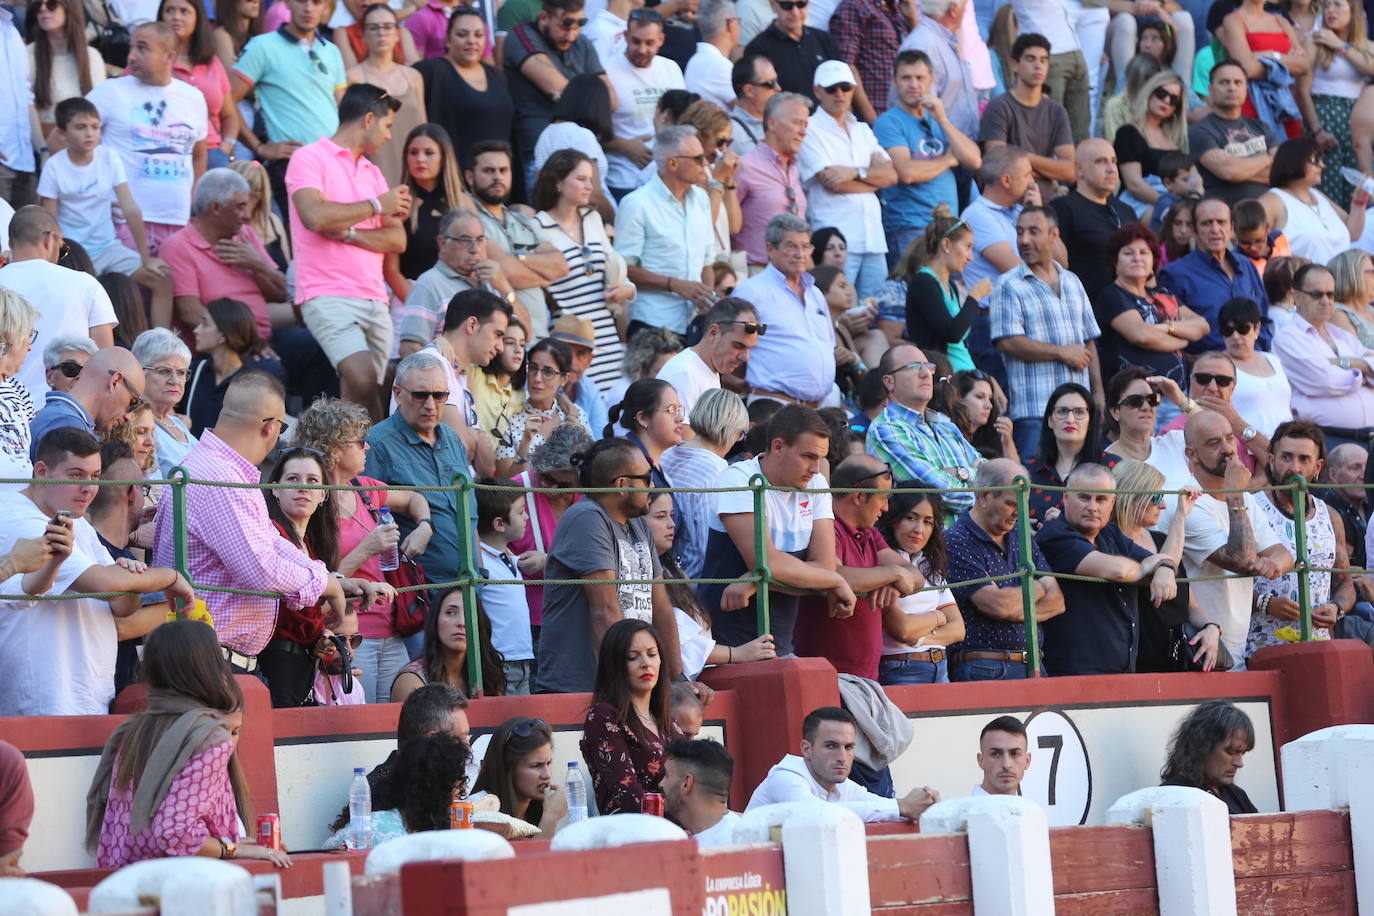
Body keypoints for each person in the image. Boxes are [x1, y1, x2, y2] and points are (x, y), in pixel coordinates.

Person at [153, 372, 347, 674]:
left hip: (208, 656)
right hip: (210, 661)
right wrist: (325, 584)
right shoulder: (223, 479)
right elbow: (261, 570)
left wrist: (326, 579)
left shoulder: (216, 469)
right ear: (271, 427)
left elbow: (271, 542)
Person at [0, 428, 193, 716]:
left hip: (86, 697)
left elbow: (121, 603)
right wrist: (172, 578)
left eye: (95, 476)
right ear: (42, 471)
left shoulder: (74, 518)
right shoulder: (20, 518)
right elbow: (107, 583)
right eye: (76, 476)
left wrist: (131, 576)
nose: (89, 488)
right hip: (45, 701)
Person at [86, 620, 290, 867]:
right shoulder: (207, 737)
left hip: (126, 883)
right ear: (212, 668)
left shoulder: (133, 730)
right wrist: (234, 850)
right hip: (180, 888)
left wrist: (248, 846)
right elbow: (175, 835)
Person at [293, 397, 436, 703]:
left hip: (392, 629)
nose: (367, 448)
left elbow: (413, 498)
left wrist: (424, 525)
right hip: (350, 635)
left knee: (398, 719)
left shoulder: (364, 487)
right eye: (360, 442)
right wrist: (367, 548)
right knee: (362, 722)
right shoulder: (309, 502)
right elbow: (315, 584)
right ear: (333, 448)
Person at [287, 83, 411, 420]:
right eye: (387, 126)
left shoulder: (373, 172)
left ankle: (342, 463)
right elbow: (314, 216)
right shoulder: (308, 157)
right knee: (363, 377)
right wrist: (375, 206)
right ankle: (353, 457)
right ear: (369, 119)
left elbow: (396, 240)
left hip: (375, 299)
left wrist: (350, 232)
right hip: (326, 293)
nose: (389, 136)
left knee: (372, 397)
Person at [536, 438, 682, 693]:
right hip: (585, 688)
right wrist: (624, 685)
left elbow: (660, 606)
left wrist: (677, 678)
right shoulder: (587, 519)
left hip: (630, 682)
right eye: (646, 477)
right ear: (621, 485)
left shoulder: (637, 523)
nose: (653, 484)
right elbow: (604, 609)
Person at [1153, 410, 1293, 665]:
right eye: (1213, 443)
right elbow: (1241, 559)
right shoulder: (1186, 502)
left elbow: (1283, 553)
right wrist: (1235, 493)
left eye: (1229, 438)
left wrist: (1274, 564)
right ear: (1191, 454)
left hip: (1236, 647)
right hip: (1200, 647)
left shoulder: (1244, 498)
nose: (1228, 449)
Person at [259, 448, 382, 706]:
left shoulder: (313, 544)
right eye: (293, 479)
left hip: (302, 666)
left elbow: (311, 604)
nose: (303, 487)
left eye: (312, 481)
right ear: (274, 489)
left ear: (324, 494)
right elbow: (290, 609)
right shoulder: (270, 534)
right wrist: (337, 588)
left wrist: (345, 586)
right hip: (272, 665)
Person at [1034, 463, 1182, 675]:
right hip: (1072, 674)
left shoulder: (1110, 533)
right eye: (1084, 497)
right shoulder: (1055, 535)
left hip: (1121, 672)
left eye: (1101, 499)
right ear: (1066, 498)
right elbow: (1119, 571)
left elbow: (1160, 560)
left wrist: (1165, 568)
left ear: (1112, 502)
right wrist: (1149, 565)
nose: (1093, 507)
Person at [37, 99, 173, 328]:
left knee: (162, 280)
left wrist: (145, 258)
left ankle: (159, 348)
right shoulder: (54, 167)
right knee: (86, 308)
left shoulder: (109, 157)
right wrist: (53, 267)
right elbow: (50, 225)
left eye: (95, 126)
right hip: (74, 253)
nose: (90, 133)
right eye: (80, 127)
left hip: (109, 248)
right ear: (62, 133)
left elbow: (129, 207)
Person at [85, 22, 209, 256]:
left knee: (174, 291)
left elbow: (200, 154)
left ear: (169, 56)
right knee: (129, 293)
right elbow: (65, 136)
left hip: (178, 222)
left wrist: (192, 202)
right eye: (131, 47)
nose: (131, 56)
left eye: (142, 49)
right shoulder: (109, 92)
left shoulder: (193, 97)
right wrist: (95, 194)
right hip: (123, 222)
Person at [793, 455, 921, 680]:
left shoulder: (870, 532)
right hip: (826, 676)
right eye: (883, 498)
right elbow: (832, 575)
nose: (886, 507)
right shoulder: (827, 526)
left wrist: (892, 580)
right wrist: (892, 574)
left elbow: (916, 576)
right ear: (859, 496)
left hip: (866, 676)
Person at [991, 206, 1103, 460]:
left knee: (1079, 485)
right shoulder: (1008, 284)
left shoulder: (1073, 281)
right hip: (1035, 410)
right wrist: (1062, 352)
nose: (1024, 240)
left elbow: (1089, 340)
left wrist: (1098, 393)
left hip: (1079, 410)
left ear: (1054, 235)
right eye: (1019, 232)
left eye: (1033, 232)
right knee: (1034, 489)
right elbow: (1007, 342)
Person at [944, 459, 1066, 680]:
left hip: (1034, 664)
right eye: (1011, 503)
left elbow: (1057, 601)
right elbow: (997, 605)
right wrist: (1038, 587)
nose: (1019, 512)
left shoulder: (1020, 535)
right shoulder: (956, 540)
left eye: (1023, 503)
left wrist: (1015, 608)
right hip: (984, 668)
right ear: (984, 496)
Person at [366, 351, 473, 592]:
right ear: (398, 394)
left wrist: (481, 571)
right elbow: (364, 518)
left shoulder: (453, 439)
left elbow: (469, 514)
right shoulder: (377, 443)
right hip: (418, 592)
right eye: (420, 395)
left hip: (470, 585)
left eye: (439, 395)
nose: (430, 405)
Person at [532, 149, 636, 391]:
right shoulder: (536, 226)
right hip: (570, 345)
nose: (589, 186)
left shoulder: (592, 218)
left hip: (608, 343)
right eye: (581, 179)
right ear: (558, 182)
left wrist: (626, 290)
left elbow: (622, 276)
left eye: (590, 179)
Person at [230, 0, 347, 211]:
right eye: (302, 1)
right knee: (297, 240)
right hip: (290, 164)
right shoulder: (262, 46)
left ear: (325, 7)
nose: (309, 8)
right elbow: (225, 101)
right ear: (287, 4)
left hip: (333, 163)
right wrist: (259, 147)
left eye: (317, 2)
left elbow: (341, 107)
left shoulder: (332, 51)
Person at [1248, 421, 1351, 656]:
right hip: (1259, 650)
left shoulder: (1331, 517)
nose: (1294, 467)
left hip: (1317, 650)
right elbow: (1226, 582)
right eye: (1286, 457)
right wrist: (1265, 603)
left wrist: (1337, 608)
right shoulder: (1250, 508)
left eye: (1304, 459)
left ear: (1318, 466)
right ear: (1272, 460)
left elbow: (1344, 582)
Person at [647, 490, 775, 679]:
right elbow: (680, 640)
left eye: (672, 516)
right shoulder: (640, 574)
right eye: (660, 516)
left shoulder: (673, 571)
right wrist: (737, 654)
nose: (671, 524)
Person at [799, 60, 896, 301]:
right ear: (817, 90)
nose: (840, 94)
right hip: (836, 240)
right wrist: (873, 177)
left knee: (874, 310)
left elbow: (892, 176)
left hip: (873, 237)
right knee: (836, 311)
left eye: (845, 87)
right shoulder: (809, 129)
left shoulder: (862, 129)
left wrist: (854, 172)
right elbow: (832, 182)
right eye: (832, 88)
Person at [0, 207, 117, 404]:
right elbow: (105, 362)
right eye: (62, 249)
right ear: (49, 240)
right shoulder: (85, 284)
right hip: (65, 412)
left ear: (11, 243)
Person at [876, 50, 980, 265]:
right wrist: (949, 160)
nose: (913, 84)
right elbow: (906, 172)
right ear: (894, 81)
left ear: (931, 80)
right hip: (910, 226)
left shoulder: (939, 119)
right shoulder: (888, 122)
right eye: (906, 78)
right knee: (915, 294)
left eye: (920, 78)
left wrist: (942, 119)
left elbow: (974, 160)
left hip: (946, 227)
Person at [615, 125, 718, 338]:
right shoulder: (636, 204)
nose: (706, 164)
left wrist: (707, 301)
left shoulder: (701, 199)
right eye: (698, 158)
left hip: (694, 324)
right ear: (672, 163)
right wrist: (674, 285)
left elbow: (707, 261)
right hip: (652, 322)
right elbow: (624, 268)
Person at [746, 706, 938, 821]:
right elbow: (815, 814)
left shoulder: (844, 786)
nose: (842, 757)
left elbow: (882, 807)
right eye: (831, 746)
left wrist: (925, 804)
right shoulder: (785, 776)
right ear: (806, 749)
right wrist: (901, 806)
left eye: (848, 747)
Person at [329, 684, 472, 832]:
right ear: (432, 739)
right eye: (461, 738)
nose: (468, 747)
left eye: (467, 737)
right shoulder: (379, 794)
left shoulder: (439, 783)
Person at [580, 618, 683, 813]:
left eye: (652, 654)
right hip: (630, 832)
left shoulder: (668, 721)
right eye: (632, 657)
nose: (646, 663)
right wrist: (688, 814)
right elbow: (628, 796)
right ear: (615, 665)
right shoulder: (604, 717)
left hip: (678, 826)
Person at [469, 142, 569, 341]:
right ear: (469, 177)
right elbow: (504, 269)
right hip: (502, 342)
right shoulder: (471, 220)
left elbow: (560, 265)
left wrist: (518, 258)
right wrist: (543, 276)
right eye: (488, 171)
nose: (497, 177)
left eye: (503, 170)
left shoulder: (522, 220)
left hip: (539, 337)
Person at [866, 343, 982, 513]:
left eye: (929, 367)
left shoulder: (946, 426)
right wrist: (986, 498)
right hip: (937, 538)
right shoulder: (887, 429)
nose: (926, 373)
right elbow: (944, 494)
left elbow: (992, 475)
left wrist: (962, 473)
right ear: (889, 382)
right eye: (914, 367)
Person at [1095, 222, 1208, 394]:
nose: (1137, 258)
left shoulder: (1163, 294)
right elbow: (1141, 336)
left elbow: (1202, 325)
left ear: (1153, 260)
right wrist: (1182, 340)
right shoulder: (1113, 295)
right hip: (1134, 398)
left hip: (1178, 395)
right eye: (1128, 253)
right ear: (1115, 262)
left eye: (1144, 252)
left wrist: (1166, 327)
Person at [503, 0, 610, 182]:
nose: (570, 36)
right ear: (544, 17)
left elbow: (610, 99)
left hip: (587, 155)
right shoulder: (521, 34)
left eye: (578, 26)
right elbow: (555, 86)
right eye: (565, 25)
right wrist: (589, 96)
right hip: (542, 157)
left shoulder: (581, 43)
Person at [735, 213, 834, 407]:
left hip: (818, 408)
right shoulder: (751, 291)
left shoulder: (815, 294)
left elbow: (828, 344)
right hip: (773, 406)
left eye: (806, 246)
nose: (800, 253)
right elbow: (733, 346)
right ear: (770, 249)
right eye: (791, 246)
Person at [508, 422, 591, 651]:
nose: (553, 489)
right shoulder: (519, 488)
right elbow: (487, 544)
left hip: (580, 613)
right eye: (546, 478)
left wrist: (549, 562)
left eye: (563, 484)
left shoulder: (589, 495)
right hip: (530, 618)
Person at [960, 146, 1039, 383]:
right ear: (1006, 180)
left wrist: (1037, 212)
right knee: (1004, 402)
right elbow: (1016, 270)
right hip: (993, 322)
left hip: (1023, 318)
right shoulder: (977, 215)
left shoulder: (1022, 211)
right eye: (1027, 174)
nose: (1032, 181)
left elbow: (1061, 261)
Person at [872, 488, 964, 684]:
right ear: (894, 519)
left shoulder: (930, 565)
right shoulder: (881, 562)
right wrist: (939, 617)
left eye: (927, 522)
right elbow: (903, 629)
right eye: (911, 518)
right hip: (900, 669)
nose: (919, 529)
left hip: (941, 668)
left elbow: (958, 629)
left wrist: (919, 639)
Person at [1273, 262, 1374, 439]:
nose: (1325, 301)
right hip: (1328, 438)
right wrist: (1366, 374)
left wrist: (1353, 364)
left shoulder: (1342, 335)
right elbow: (1325, 380)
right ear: (1296, 296)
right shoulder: (1287, 338)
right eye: (1316, 294)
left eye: (1330, 294)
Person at [1158, 198, 1270, 353]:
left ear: (1231, 228)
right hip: (1210, 370)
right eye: (1207, 223)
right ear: (1193, 229)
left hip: (1255, 362)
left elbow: (1264, 319)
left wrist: (1256, 354)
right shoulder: (1175, 275)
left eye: (1221, 222)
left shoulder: (1246, 265)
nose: (1215, 229)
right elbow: (1172, 334)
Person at [324, 732, 474, 847]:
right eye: (455, 785)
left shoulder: (398, 822)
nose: (461, 793)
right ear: (434, 790)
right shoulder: (390, 834)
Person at [657, 390, 748, 579]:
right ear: (734, 432)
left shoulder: (665, 454)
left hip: (656, 573)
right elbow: (704, 548)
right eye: (741, 434)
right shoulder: (719, 473)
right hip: (689, 587)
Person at [398, 210, 515, 355]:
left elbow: (524, 334)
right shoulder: (429, 284)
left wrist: (505, 289)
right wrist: (448, 374)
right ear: (442, 243)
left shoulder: (493, 281)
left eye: (480, 240)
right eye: (465, 240)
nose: (475, 249)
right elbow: (410, 349)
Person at [415, 7, 513, 173]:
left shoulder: (497, 75)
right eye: (462, 34)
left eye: (479, 35)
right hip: (451, 175)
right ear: (447, 39)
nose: (471, 41)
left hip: (496, 178)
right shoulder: (429, 72)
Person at [601, 10, 687, 198]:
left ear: (661, 40)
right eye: (636, 41)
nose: (641, 50)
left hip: (666, 179)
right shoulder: (606, 71)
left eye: (649, 43)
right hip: (623, 180)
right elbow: (590, 129)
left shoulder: (670, 68)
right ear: (625, 36)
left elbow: (684, 120)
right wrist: (623, 145)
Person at [1295, 0, 1372, 208]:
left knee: (1359, 190)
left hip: (1356, 122)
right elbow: (1302, 90)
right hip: (1324, 115)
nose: (1330, 11)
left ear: (1354, 11)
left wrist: (1340, 45)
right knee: (1325, 187)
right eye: (1326, 6)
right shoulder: (1315, 41)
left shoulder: (1365, 46)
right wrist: (1317, 129)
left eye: (1337, 5)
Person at [981, 35, 1074, 204]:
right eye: (1030, 59)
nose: (1038, 65)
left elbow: (1070, 170)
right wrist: (1050, 171)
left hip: (1048, 201)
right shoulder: (999, 107)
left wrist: (1021, 157)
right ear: (1014, 64)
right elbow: (997, 164)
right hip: (1008, 202)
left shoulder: (1057, 111)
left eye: (1043, 60)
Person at [745, 0, 874, 119]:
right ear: (773, 5)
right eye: (787, 6)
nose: (795, 12)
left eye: (801, 4)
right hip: (789, 127)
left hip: (830, 125)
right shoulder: (759, 47)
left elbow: (841, 82)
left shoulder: (824, 39)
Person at [346, 4, 426, 186]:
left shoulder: (414, 77)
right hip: (372, 173)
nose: (381, 33)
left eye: (388, 26)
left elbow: (424, 128)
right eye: (374, 27)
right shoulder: (353, 77)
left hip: (415, 171)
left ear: (398, 34)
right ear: (364, 36)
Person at [902, 207, 990, 372]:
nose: (970, 257)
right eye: (968, 247)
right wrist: (975, 296)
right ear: (947, 245)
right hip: (945, 380)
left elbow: (960, 346)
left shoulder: (951, 286)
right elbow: (952, 332)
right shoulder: (923, 282)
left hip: (965, 375)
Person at [1052, 140, 1140, 297]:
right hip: (1088, 306)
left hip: (1132, 304)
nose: (1111, 169)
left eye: (1113, 161)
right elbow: (1056, 266)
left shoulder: (1126, 210)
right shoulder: (1062, 208)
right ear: (1079, 169)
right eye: (1101, 161)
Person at [183, 299, 283, 437]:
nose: (196, 330)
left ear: (222, 335)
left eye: (205, 324)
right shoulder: (194, 370)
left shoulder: (253, 382)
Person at [390, 125, 471, 295]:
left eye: (429, 153)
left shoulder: (464, 203)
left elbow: (477, 258)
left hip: (459, 297)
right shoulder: (398, 201)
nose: (420, 159)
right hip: (411, 295)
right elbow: (391, 270)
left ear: (444, 157)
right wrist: (418, 303)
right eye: (413, 152)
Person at [160, 0, 240, 171]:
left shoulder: (213, 63)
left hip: (213, 154)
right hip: (168, 155)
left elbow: (230, 115)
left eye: (184, 11)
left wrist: (225, 148)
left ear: (198, 18)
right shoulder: (150, 61)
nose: (176, 17)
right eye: (169, 11)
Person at [732, 92, 809, 269]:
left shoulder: (794, 170)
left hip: (793, 275)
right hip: (757, 272)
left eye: (805, 125)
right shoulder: (745, 166)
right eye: (797, 123)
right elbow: (725, 225)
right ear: (772, 123)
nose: (803, 132)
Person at [474, 480, 537, 695]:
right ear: (500, 524)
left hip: (522, 657)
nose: (526, 517)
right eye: (520, 513)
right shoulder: (481, 561)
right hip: (501, 661)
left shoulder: (508, 557)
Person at [1260, 138, 1366, 265]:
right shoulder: (1274, 200)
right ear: (1294, 161)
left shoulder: (1318, 195)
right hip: (1301, 283)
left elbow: (1353, 233)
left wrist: (1359, 202)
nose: (1322, 165)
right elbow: (1245, 235)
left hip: (1341, 283)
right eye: (1315, 160)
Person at [29, 347, 146, 460]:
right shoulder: (68, 425)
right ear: (115, 382)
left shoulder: (63, 418)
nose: (129, 417)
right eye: (133, 402)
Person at [496, 337, 592, 475]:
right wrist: (525, 442)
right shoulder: (510, 418)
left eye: (548, 372)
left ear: (564, 379)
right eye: (533, 368)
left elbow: (591, 472)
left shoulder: (575, 415)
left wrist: (581, 439)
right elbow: (505, 484)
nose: (537, 379)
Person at [392, 586, 506, 701]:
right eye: (451, 612)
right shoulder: (411, 681)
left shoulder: (489, 674)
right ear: (435, 621)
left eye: (469, 613)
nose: (461, 623)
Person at [1189, 61, 1279, 206]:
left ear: (1245, 89)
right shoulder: (1200, 130)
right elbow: (1229, 171)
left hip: (1271, 211)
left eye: (1238, 83)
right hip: (1226, 215)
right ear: (1210, 90)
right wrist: (1268, 159)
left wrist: (1240, 170)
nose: (1232, 88)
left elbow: (1281, 174)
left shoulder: (1262, 127)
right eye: (1224, 82)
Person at [654, 298, 760, 417]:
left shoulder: (707, 369)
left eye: (749, 349)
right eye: (738, 345)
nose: (745, 357)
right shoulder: (685, 374)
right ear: (713, 333)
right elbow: (683, 435)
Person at [532, 74, 617, 218]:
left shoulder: (545, 134)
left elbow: (541, 185)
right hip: (591, 219)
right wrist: (615, 221)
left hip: (559, 216)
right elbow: (593, 195)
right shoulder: (582, 135)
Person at [471, 717, 568, 836]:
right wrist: (551, 817)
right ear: (508, 768)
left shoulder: (537, 809)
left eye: (548, 763)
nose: (547, 775)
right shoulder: (481, 810)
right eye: (536, 765)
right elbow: (537, 855)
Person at [1160, 700, 1259, 814]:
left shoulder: (1238, 795)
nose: (1239, 763)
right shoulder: (1170, 796)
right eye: (1230, 751)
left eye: (1242, 753)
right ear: (1202, 746)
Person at [25, 0, 105, 142]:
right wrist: (44, 149)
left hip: (83, 146)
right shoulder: (27, 54)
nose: (43, 9)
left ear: (70, 8)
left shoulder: (91, 56)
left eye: (52, 5)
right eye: (38, 5)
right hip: (42, 144)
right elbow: (25, 109)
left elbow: (100, 110)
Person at [896, 0, 977, 139]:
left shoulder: (941, 41)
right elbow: (922, 109)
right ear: (953, 10)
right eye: (964, 7)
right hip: (939, 151)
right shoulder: (924, 45)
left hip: (959, 146)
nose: (965, 12)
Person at [1024, 383, 1102, 524]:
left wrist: (1067, 522)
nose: (1070, 419)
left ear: (1090, 421)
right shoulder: (1029, 472)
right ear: (1050, 420)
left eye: (1079, 412)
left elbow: (1119, 528)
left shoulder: (1111, 467)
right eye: (1062, 411)